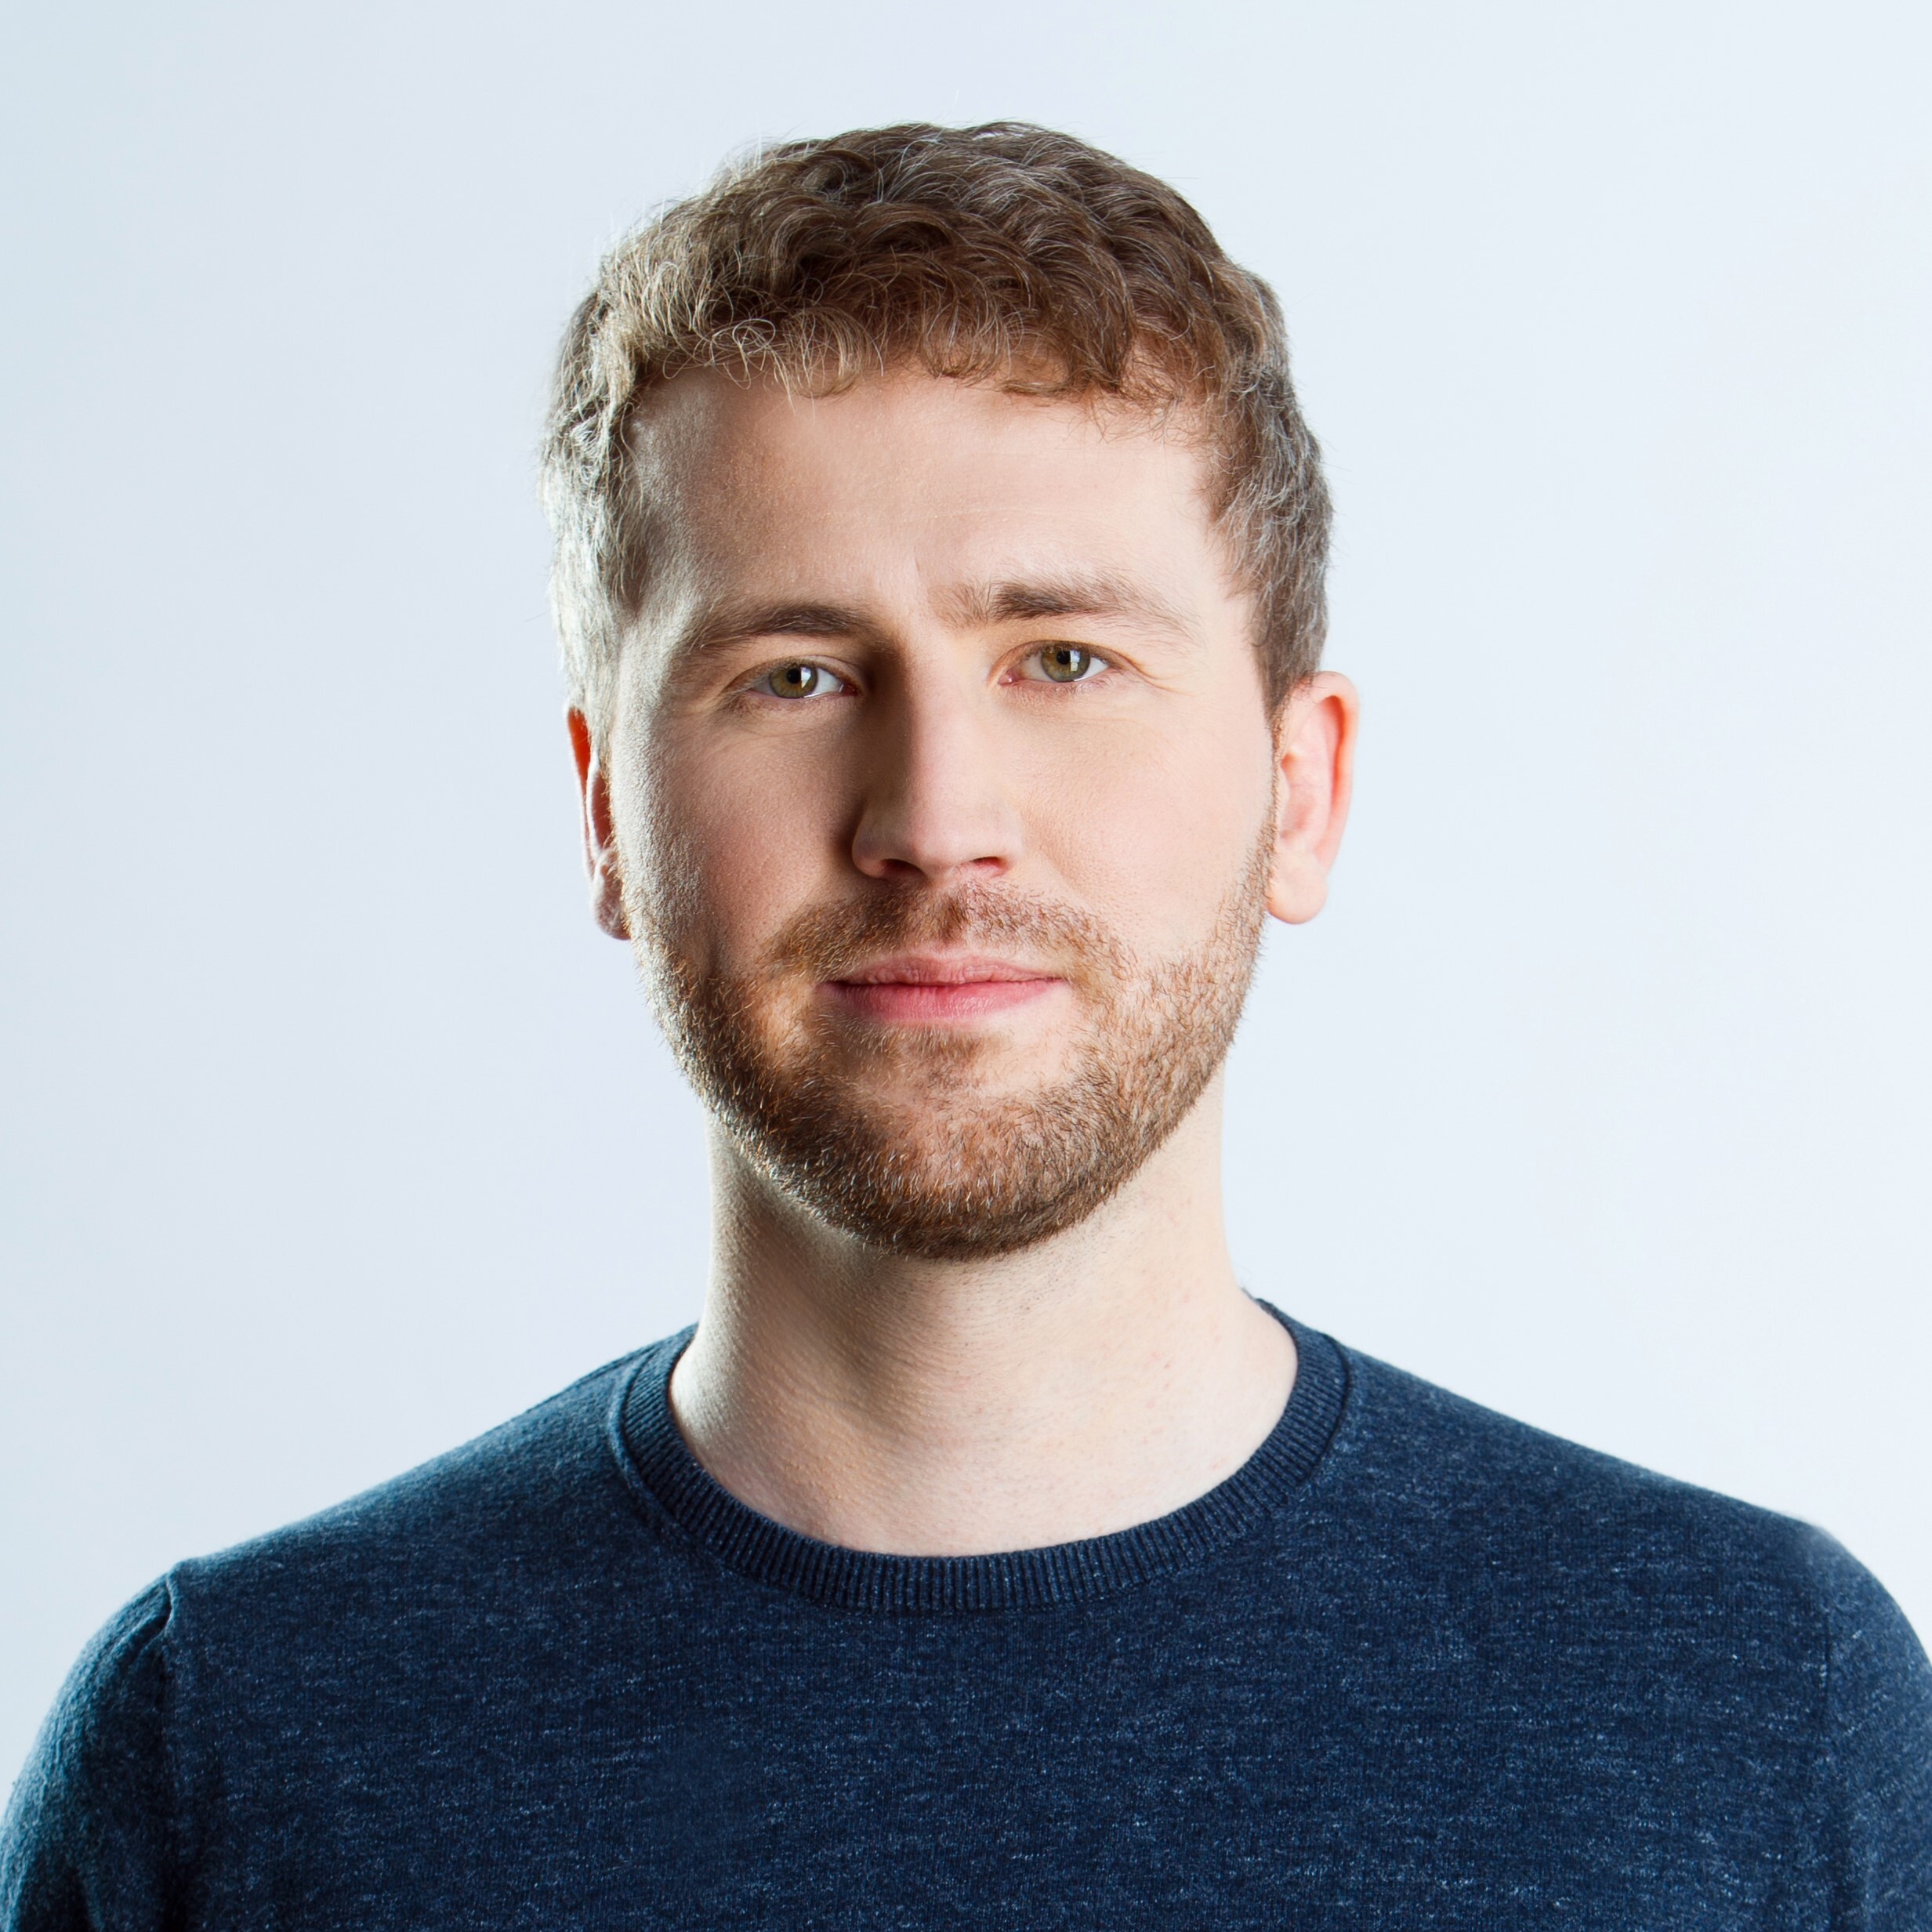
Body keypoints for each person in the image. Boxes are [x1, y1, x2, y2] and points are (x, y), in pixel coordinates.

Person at [4, 120, 1927, 1930]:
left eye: (1064, 659)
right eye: (798, 674)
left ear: (1302, 789)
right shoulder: (234, 1752)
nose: (935, 821)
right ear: (606, 815)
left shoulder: (1764, 1713)